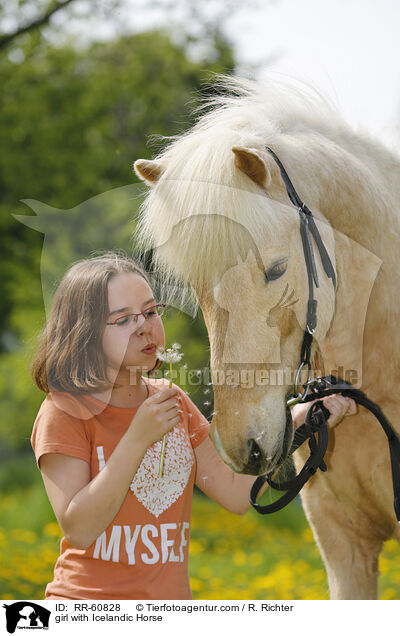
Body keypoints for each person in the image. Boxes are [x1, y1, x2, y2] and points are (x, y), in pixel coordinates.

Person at [30, 250, 357, 600]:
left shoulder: (172, 401)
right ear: (85, 333)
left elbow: (234, 493)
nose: (145, 327)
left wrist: (298, 420)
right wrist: (137, 439)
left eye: (151, 311)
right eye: (123, 319)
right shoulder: (64, 411)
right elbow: (79, 528)